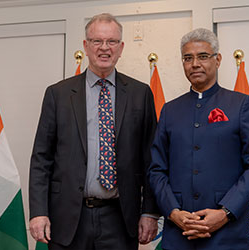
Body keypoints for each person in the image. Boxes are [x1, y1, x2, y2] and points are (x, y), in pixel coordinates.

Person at [29, 13, 158, 250]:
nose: (104, 48)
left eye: (111, 42)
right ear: (86, 46)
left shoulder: (141, 94)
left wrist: (150, 211)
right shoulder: (58, 94)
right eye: (97, 41)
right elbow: (41, 158)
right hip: (67, 219)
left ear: (121, 48)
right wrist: (38, 212)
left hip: (120, 218)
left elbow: (151, 160)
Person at [148, 28, 249, 250]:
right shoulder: (170, 111)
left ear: (218, 60)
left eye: (203, 56)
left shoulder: (241, 105)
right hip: (179, 233)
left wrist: (225, 212)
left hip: (228, 234)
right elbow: (156, 170)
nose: (194, 64)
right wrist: (174, 213)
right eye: (187, 58)